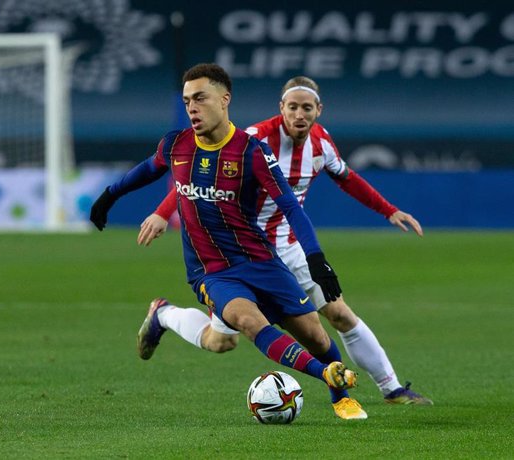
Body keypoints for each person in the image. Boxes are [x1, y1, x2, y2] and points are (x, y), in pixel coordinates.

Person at [135, 75, 433, 407]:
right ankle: (163, 315)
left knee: (339, 314)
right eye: (293, 107)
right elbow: (194, 176)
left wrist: (389, 210)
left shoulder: (322, 144)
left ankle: (390, 388)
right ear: (282, 108)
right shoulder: (251, 139)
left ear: (319, 110)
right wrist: (164, 213)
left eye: (307, 108)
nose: (299, 115)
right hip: (242, 253)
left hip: (290, 248)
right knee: (221, 341)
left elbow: (348, 179)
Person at [90, 63, 366, 420]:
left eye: (200, 98)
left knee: (307, 334)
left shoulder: (252, 152)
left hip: (261, 261)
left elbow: (290, 207)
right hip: (212, 271)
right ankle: (329, 379)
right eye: (188, 100)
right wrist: (109, 196)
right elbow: (145, 169)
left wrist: (316, 258)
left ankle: (164, 314)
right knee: (248, 322)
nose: (192, 107)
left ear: (224, 100)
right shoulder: (176, 144)